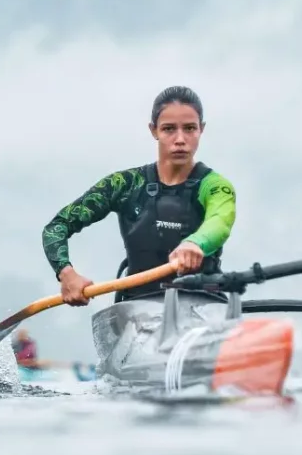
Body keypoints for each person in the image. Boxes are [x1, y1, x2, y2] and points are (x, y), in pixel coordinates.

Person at [42, 85, 237, 304]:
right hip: (137, 318)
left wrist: (195, 244)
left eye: (190, 128)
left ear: (201, 129)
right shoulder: (125, 185)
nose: (180, 139)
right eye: (169, 129)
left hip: (203, 311)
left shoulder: (216, 186)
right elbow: (56, 227)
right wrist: (66, 274)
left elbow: (220, 221)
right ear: (153, 130)